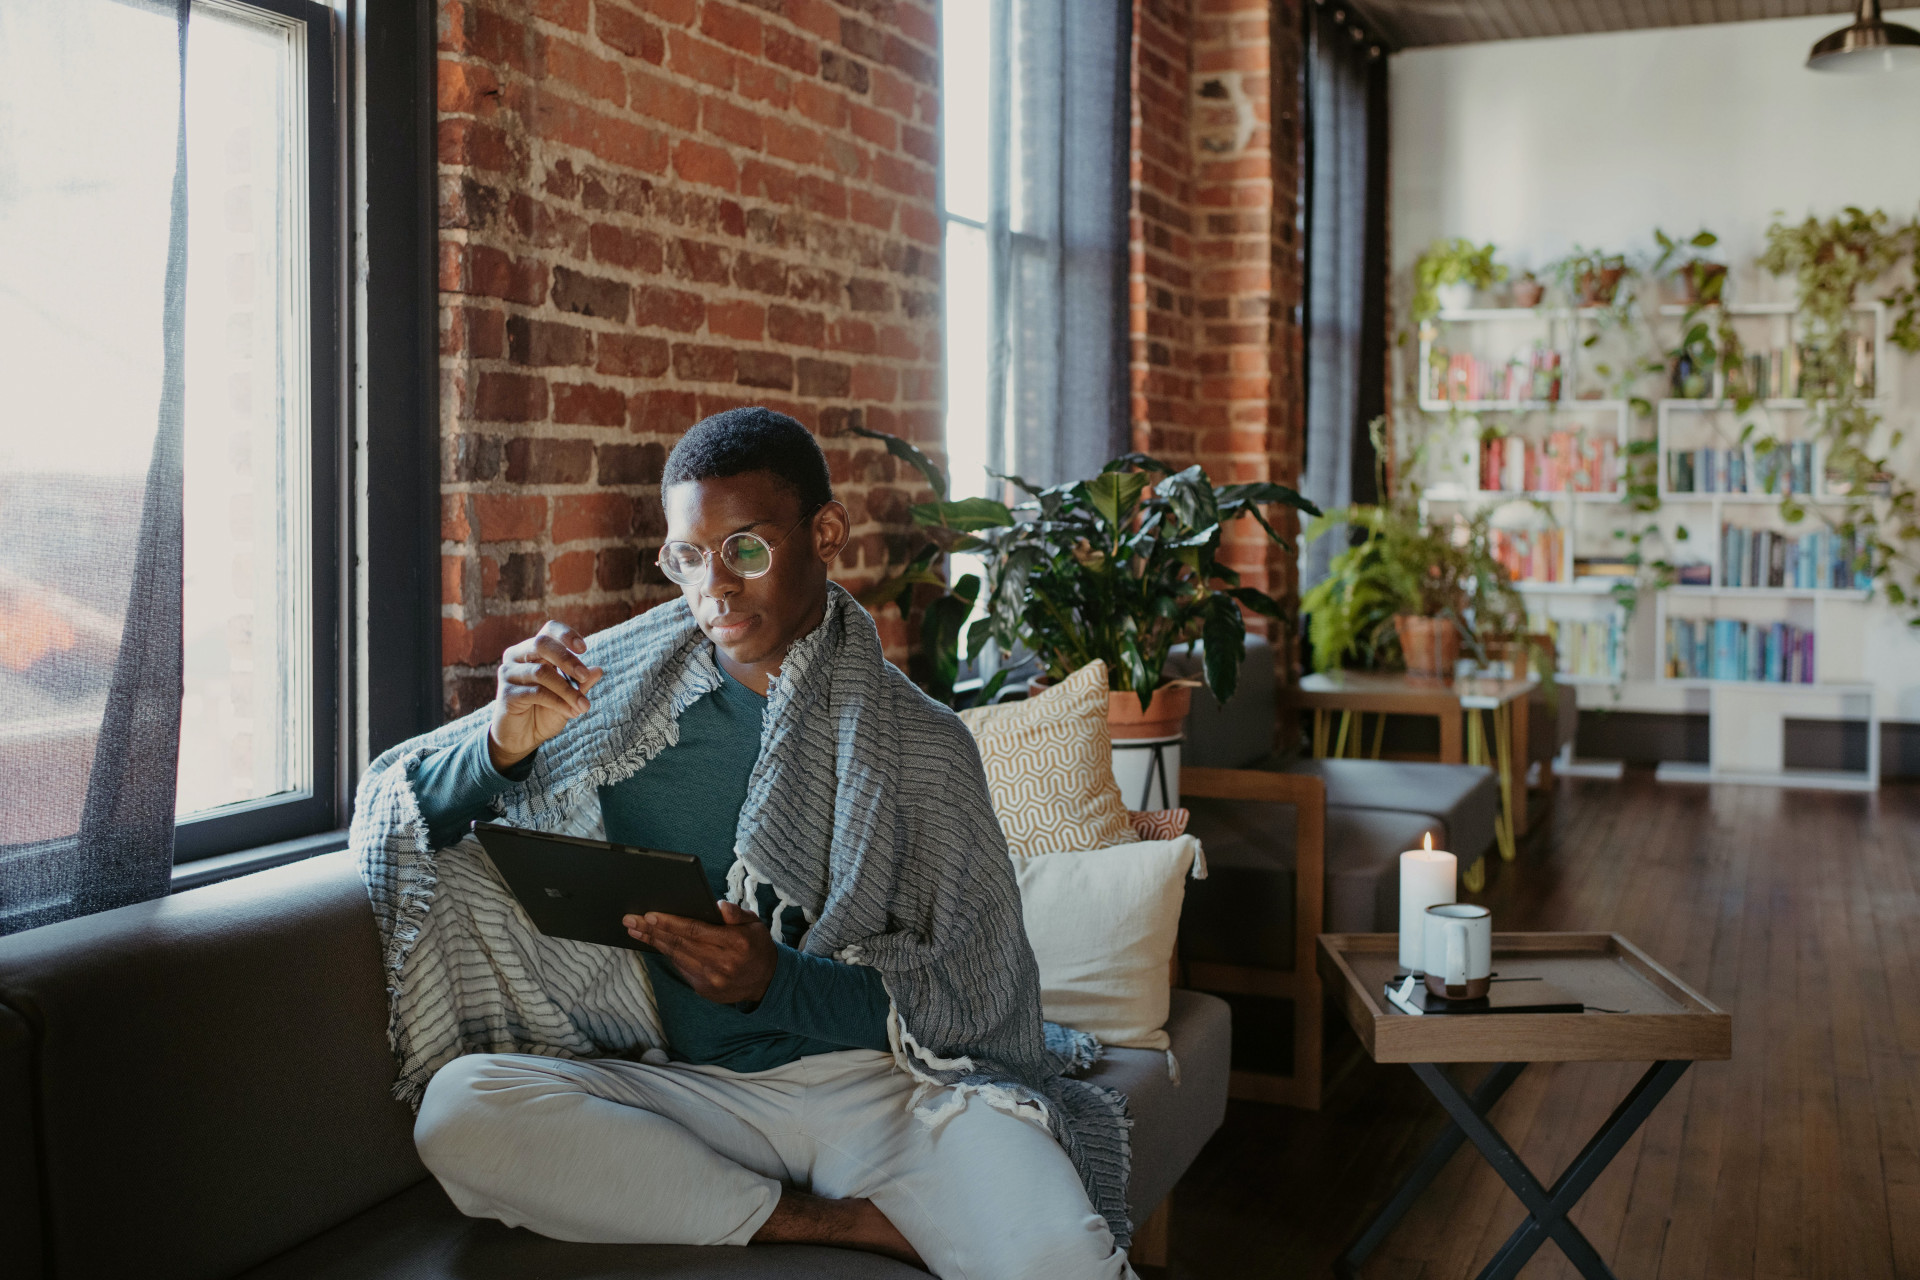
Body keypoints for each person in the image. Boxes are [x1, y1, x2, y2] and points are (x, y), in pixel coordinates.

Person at [354, 407, 1135, 1279]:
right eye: (688, 557)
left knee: (1066, 1261)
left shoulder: (922, 744)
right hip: (684, 1092)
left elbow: (982, 1002)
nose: (714, 588)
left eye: (747, 550)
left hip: (891, 1089)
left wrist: (778, 983)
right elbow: (405, 814)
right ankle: (838, 1226)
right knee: (460, 1112)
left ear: (824, 534)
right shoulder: (612, 698)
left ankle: (775, 1202)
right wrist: (496, 744)